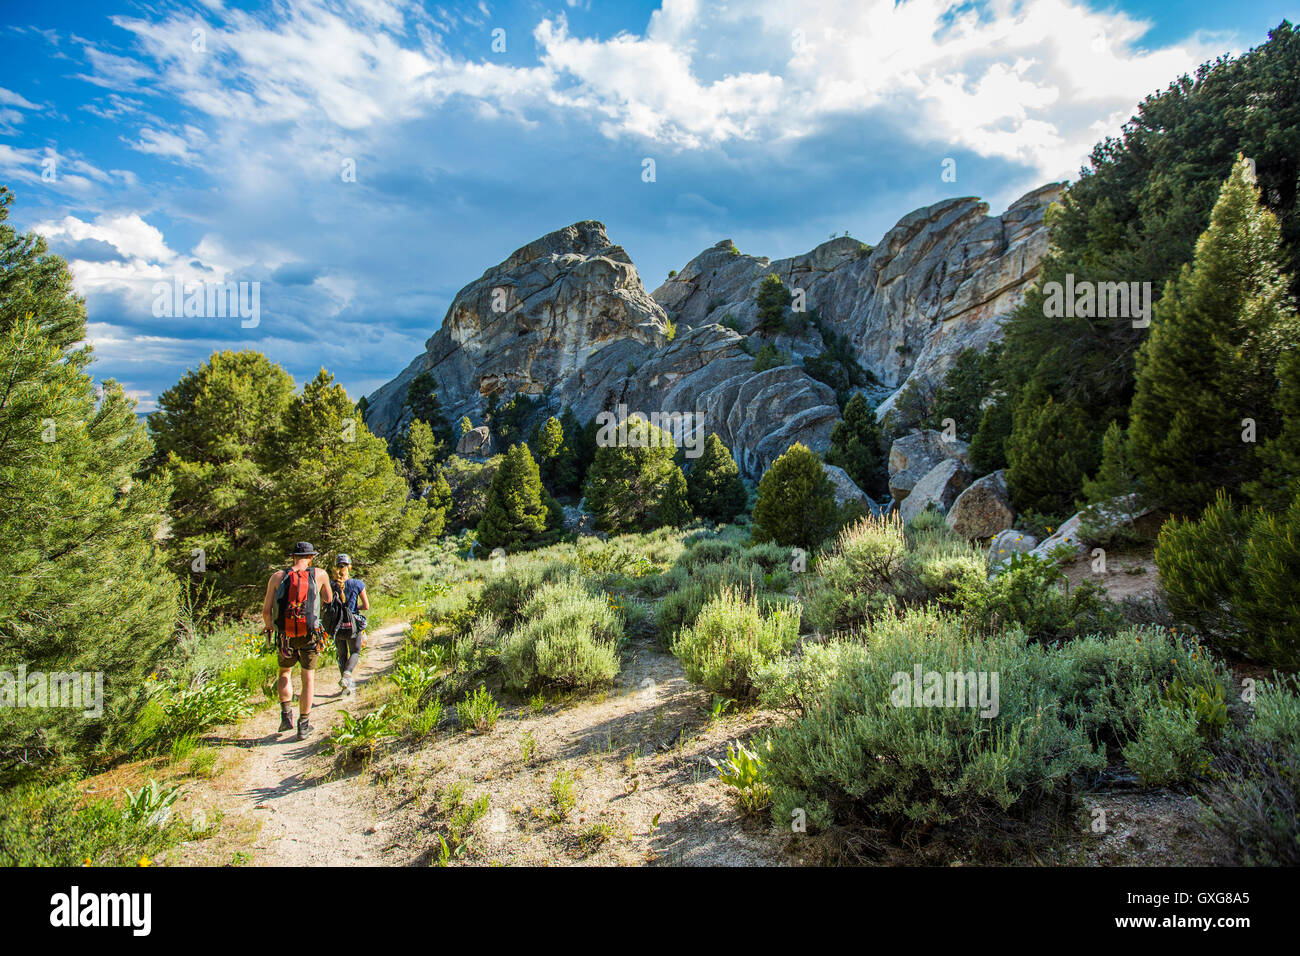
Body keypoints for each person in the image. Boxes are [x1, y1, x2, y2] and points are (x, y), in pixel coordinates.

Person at [262, 542, 333, 740]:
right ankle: (304, 724)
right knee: (307, 677)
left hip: (285, 636)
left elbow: (266, 610)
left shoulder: (277, 577)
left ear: (293, 557)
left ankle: (286, 715)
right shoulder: (319, 574)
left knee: (285, 672)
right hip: (310, 633)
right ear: (311, 557)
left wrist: (269, 626)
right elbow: (328, 599)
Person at [330, 554, 370, 695]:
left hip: (337, 624)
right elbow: (366, 606)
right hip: (352, 624)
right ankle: (347, 674)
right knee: (355, 651)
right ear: (350, 566)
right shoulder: (357, 584)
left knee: (342, 654)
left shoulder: (331, 584)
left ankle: (345, 684)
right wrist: (354, 608)